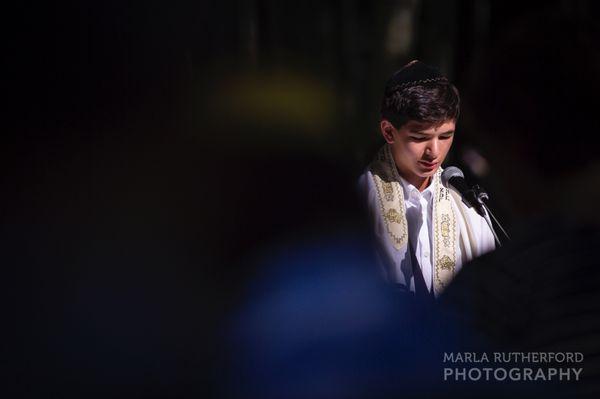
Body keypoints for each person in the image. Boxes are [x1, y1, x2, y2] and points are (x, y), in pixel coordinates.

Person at [359, 60, 495, 299]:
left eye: (445, 136)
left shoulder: (467, 205)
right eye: (420, 138)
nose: (434, 151)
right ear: (388, 131)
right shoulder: (361, 200)